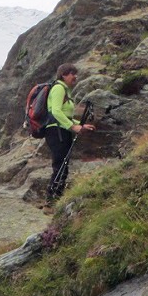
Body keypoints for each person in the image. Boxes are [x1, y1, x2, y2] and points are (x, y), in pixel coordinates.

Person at [44, 63, 95, 204]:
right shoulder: (59, 88)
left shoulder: (65, 90)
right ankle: (52, 199)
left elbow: (64, 114)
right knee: (60, 165)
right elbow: (55, 111)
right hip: (56, 131)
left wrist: (79, 125)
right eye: (72, 73)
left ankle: (54, 198)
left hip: (61, 130)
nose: (75, 76)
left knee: (62, 165)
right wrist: (73, 127)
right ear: (64, 75)